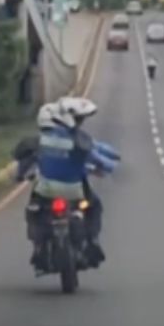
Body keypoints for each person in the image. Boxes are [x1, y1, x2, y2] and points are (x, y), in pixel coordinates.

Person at [14, 98, 118, 269]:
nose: (79, 123)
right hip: (74, 191)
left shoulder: (38, 141)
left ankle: (38, 247)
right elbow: (96, 155)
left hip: (45, 191)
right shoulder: (77, 140)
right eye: (78, 119)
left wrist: (19, 176)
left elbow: (22, 163)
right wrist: (112, 166)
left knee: (33, 209)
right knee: (95, 206)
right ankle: (92, 241)